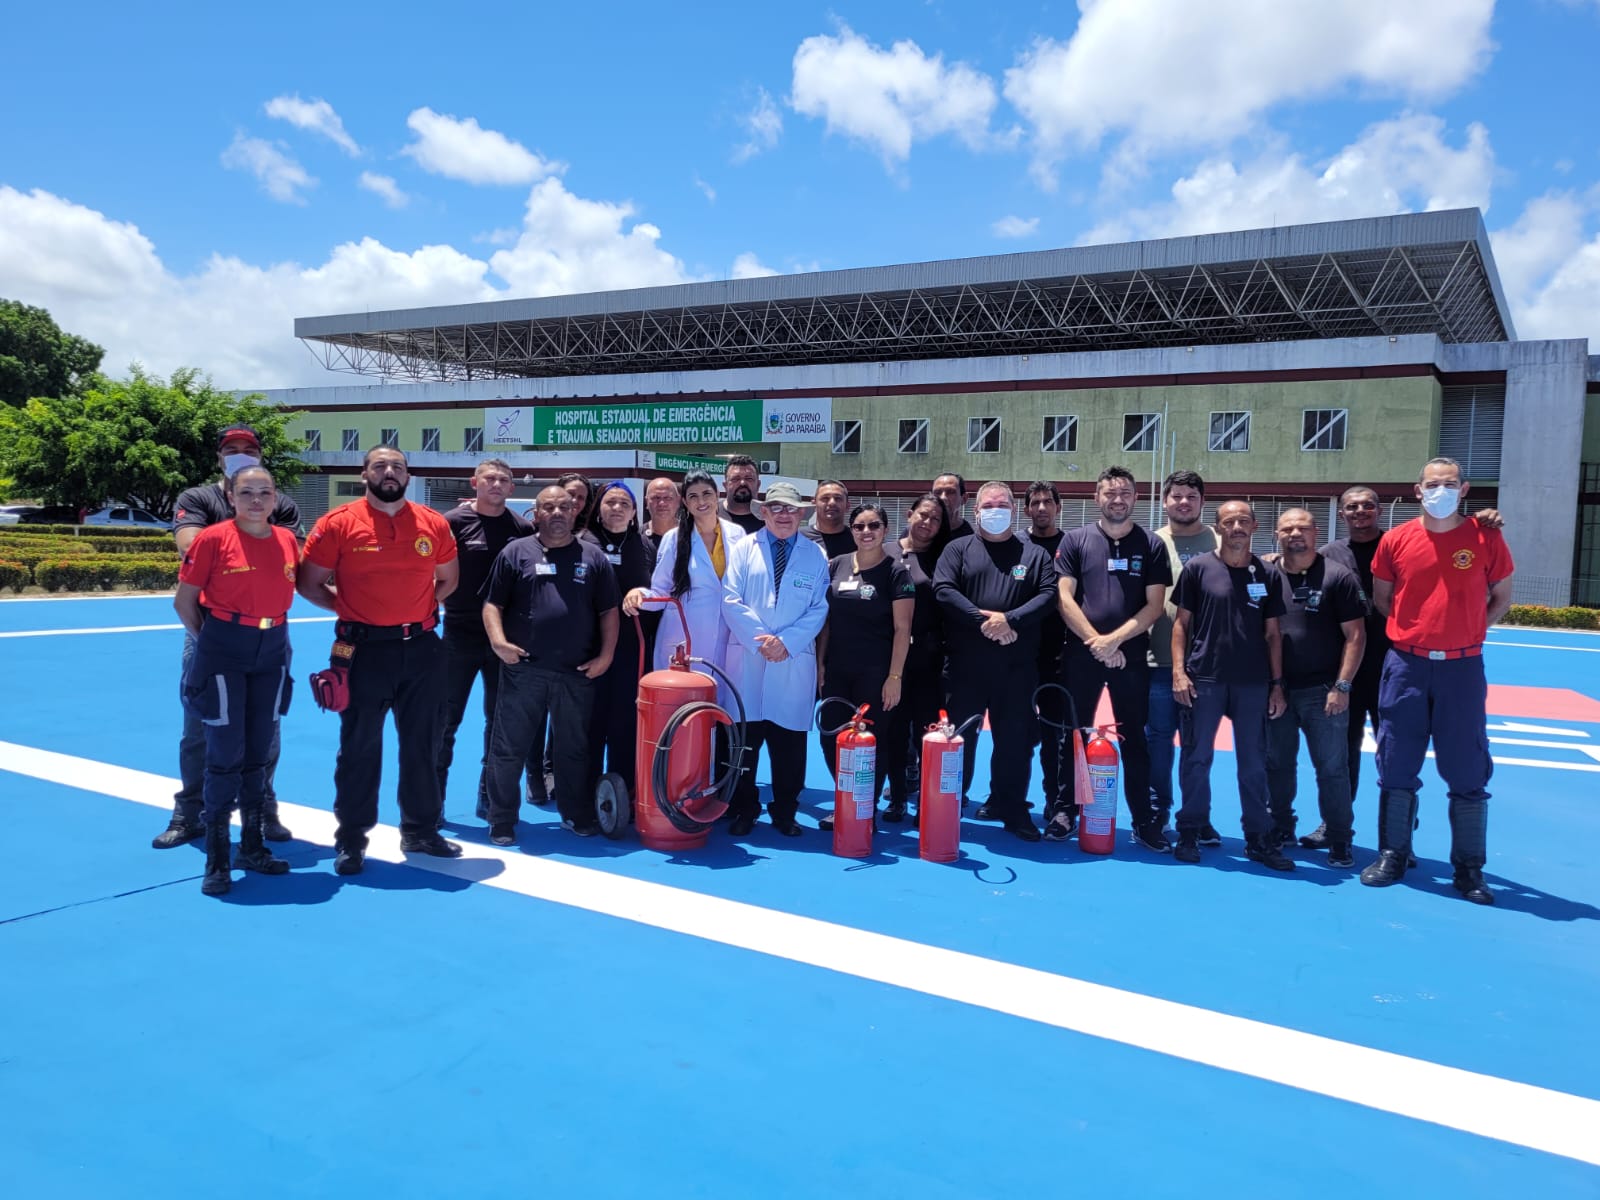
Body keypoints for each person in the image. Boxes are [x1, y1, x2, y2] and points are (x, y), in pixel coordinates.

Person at [296, 446, 463, 874]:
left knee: (424, 744)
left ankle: (421, 829)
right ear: (364, 472)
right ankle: (351, 839)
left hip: (422, 648)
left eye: (398, 467)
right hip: (362, 651)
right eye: (381, 466)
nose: (390, 472)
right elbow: (310, 583)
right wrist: (353, 610)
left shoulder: (433, 523)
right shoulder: (338, 523)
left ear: (408, 475)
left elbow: (447, 579)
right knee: (359, 748)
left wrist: (414, 613)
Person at [1363, 457, 1514, 905]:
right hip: (1407, 666)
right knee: (1396, 759)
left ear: (1464, 489)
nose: (1441, 490)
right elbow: (1384, 599)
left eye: (1449, 483)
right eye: (1433, 484)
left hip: (1462, 668)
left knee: (1467, 765)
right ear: (1417, 490)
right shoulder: (1396, 539)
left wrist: (1464, 632)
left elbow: (1502, 596)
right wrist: (1418, 635)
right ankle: (1393, 853)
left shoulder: (1486, 536)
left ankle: (1468, 869)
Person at [153, 425, 299, 850]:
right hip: (209, 632)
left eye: (248, 449)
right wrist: (212, 636)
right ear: (219, 458)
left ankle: (262, 807)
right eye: (231, 449)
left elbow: (296, 556)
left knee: (265, 726)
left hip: (269, 634)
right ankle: (190, 811)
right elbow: (189, 544)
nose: (240, 454)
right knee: (200, 724)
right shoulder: (199, 499)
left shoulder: (281, 504)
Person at [481, 486, 620, 842]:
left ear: (574, 511)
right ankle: (501, 819)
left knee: (573, 749)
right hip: (523, 669)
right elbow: (492, 604)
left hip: (576, 672)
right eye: (548, 507)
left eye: (564, 506)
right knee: (508, 747)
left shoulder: (593, 557)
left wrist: (606, 656)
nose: (557, 512)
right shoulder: (515, 552)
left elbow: (608, 612)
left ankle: (574, 814)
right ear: (536, 513)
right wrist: (498, 642)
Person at [1052, 467, 1172, 850]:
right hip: (1082, 655)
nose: (1117, 499)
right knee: (1073, 735)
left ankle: (1142, 819)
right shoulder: (1075, 540)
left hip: (1132, 657)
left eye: (1124, 493)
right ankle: (1065, 810)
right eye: (1109, 493)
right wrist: (1096, 643)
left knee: (1135, 739)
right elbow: (1064, 597)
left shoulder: (1151, 544)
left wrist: (1115, 642)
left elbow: (1154, 607)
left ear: (1136, 498)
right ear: (1096, 497)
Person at [1171, 500, 1293, 870]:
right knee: (1196, 758)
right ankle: (1191, 829)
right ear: (1218, 527)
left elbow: (1273, 635)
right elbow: (1180, 625)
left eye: (1243, 520)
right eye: (1229, 521)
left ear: (1255, 526)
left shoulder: (1268, 575)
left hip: (1253, 683)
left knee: (1254, 763)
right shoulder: (1197, 569)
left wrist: (1277, 684)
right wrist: (1179, 671)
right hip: (1204, 678)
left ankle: (1257, 836)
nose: (1236, 526)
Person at [933, 482, 1058, 842]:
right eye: (989, 504)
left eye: (1003, 504)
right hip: (965, 667)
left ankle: (1013, 807)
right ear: (976, 510)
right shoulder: (958, 549)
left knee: (1015, 742)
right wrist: (985, 621)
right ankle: (949, 804)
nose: (996, 509)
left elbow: (1049, 595)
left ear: (1014, 510)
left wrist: (1011, 621)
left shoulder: (1034, 555)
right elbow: (944, 590)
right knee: (958, 741)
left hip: (1016, 669)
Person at [722, 482, 831, 836]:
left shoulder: (815, 555)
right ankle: (744, 808)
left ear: (802, 514)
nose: (784, 515)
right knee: (744, 747)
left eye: (791, 509)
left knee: (790, 749)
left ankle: (785, 811)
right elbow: (730, 599)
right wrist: (763, 641)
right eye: (777, 508)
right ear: (763, 512)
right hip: (749, 662)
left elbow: (819, 608)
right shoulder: (742, 549)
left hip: (792, 661)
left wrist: (786, 642)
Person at [1263, 509, 1367, 868]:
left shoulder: (1338, 577)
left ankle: (1339, 837)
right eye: (1287, 528)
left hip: (1324, 691)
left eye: (1303, 528)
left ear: (1315, 532)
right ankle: (1280, 827)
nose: (1295, 534)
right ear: (1277, 534)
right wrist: (1274, 685)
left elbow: (1356, 636)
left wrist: (1342, 686)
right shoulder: (1267, 574)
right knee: (1277, 764)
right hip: (1276, 689)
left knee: (1332, 768)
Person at [438, 459, 534, 822]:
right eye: (489, 478)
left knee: (499, 724)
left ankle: (488, 797)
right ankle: (433, 802)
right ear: (475, 482)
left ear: (512, 488)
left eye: (503, 480)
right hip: (458, 636)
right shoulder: (451, 523)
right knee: (444, 721)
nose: (496, 484)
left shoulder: (522, 529)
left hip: (506, 642)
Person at [816, 501, 915, 826]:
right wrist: (820, 664)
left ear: (885, 530)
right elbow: (826, 621)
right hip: (837, 669)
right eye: (859, 526)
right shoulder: (837, 565)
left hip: (876, 672)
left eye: (873, 525)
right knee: (831, 735)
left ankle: (864, 807)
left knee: (872, 740)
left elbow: (903, 629)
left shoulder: (897, 572)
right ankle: (845, 795)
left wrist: (895, 677)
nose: (866, 532)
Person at [624, 471, 745, 707]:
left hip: (727, 638)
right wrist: (639, 594)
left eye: (707, 494)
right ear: (686, 503)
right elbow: (661, 593)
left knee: (720, 714)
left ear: (717, 495)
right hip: (684, 640)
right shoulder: (675, 538)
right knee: (682, 714)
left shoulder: (737, 534)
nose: (701, 501)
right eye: (693, 496)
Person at [1145, 470, 1220, 839]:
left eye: (1191, 496)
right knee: (1157, 740)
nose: (1184, 502)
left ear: (1202, 501)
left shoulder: (1220, 542)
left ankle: (1197, 817)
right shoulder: (1150, 543)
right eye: (1176, 496)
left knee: (1198, 745)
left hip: (1206, 666)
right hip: (1157, 662)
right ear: (1165, 501)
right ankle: (1157, 810)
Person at [588, 481, 659, 798]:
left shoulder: (645, 548)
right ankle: (582, 791)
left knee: (624, 722)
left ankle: (622, 791)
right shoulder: (584, 544)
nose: (616, 508)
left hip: (631, 649)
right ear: (599, 510)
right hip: (588, 647)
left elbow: (658, 594)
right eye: (610, 502)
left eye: (624, 504)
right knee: (588, 723)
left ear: (634, 513)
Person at [886, 493, 951, 821]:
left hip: (930, 658)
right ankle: (897, 797)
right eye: (923, 515)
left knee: (927, 731)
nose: (928, 523)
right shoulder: (887, 552)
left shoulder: (947, 556)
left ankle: (928, 798)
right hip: (892, 658)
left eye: (935, 519)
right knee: (894, 730)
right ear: (910, 514)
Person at [1020, 481, 1069, 826]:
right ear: (1026, 509)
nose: (1041, 508)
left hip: (1058, 655)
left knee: (1055, 734)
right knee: (1016, 733)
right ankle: (1006, 796)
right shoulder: (1016, 545)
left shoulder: (1072, 545)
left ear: (1058, 507)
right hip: (1018, 653)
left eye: (1047, 502)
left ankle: (1055, 801)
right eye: (1034, 502)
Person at [803, 480, 857, 558]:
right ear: (814, 504)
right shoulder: (798, 538)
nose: (832, 503)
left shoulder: (858, 540)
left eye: (838, 498)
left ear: (847, 506)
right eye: (825, 498)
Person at [719, 455, 765, 535]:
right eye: (735, 479)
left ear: (758, 485)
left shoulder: (769, 518)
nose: (742, 483)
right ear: (725, 485)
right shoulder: (711, 514)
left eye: (749, 478)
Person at [643, 476, 681, 549]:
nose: (662, 503)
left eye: (668, 498)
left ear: (678, 501)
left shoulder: (692, 537)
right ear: (646, 502)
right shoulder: (636, 539)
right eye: (656, 498)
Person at [933, 473, 973, 539]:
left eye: (950, 492)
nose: (943, 498)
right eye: (937, 492)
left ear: (964, 499)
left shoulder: (977, 536)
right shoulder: (917, 533)